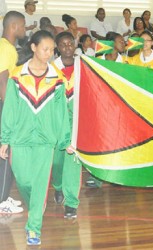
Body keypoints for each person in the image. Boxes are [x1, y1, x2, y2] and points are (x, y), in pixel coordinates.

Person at [0, 30, 72, 246]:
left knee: (40, 183)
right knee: (23, 181)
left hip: (45, 140)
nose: (50, 53)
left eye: (52, 50)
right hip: (20, 138)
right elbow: (10, 109)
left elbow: (62, 111)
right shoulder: (16, 76)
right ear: (33, 47)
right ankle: (36, 205)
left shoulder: (58, 79)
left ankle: (33, 228)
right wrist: (5, 138)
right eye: (46, 49)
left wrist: (65, 140)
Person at [52, 31, 82, 219]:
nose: (68, 48)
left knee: (73, 161)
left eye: (70, 44)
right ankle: (58, 186)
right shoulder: (50, 69)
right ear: (58, 47)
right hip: (57, 122)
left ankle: (71, 202)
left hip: (77, 122)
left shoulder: (84, 65)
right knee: (57, 161)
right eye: (63, 45)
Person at [0, 10, 26, 214]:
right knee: (5, 153)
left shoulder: (6, 48)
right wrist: (10, 111)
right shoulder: (5, 48)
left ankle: (3, 195)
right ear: (14, 26)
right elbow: (2, 80)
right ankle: (1, 200)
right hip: (3, 105)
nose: (25, 29)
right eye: (23, 26)